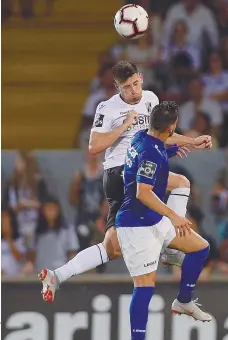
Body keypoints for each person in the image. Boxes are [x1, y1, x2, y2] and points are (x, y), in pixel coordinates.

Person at [39, 61, 212, 302]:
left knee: (112, 247)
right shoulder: (107, 108)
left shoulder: (151, 98)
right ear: (117, 87)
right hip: (120, 173)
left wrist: (191, 141)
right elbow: (94, 147)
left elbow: (162, 133)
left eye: (135, 84)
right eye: (127, 87)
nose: (133, 91)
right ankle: (169, 243)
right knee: (180, 184)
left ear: (140, 78)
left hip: (139, 167)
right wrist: (124, 125)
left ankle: (56, 276)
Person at [116, 102, 212, 340]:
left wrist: (191, 142)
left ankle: (183, 300)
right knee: (145, 286)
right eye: (174, 129)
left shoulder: (144, 137)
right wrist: (175, 216)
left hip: (154, 220)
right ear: (170, 127)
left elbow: (166, 142)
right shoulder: (150, 154)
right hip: (136, 226)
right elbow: (143, 192)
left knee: (200, 248)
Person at [31, 197, 79, 276]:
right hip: (41, 274)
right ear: (43, 211)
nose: (52, 211)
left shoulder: (67, 229)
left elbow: (72, 253)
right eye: (49, 208)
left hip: (60, 273)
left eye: (54, 208)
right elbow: (33, 253)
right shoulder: (37, 231)